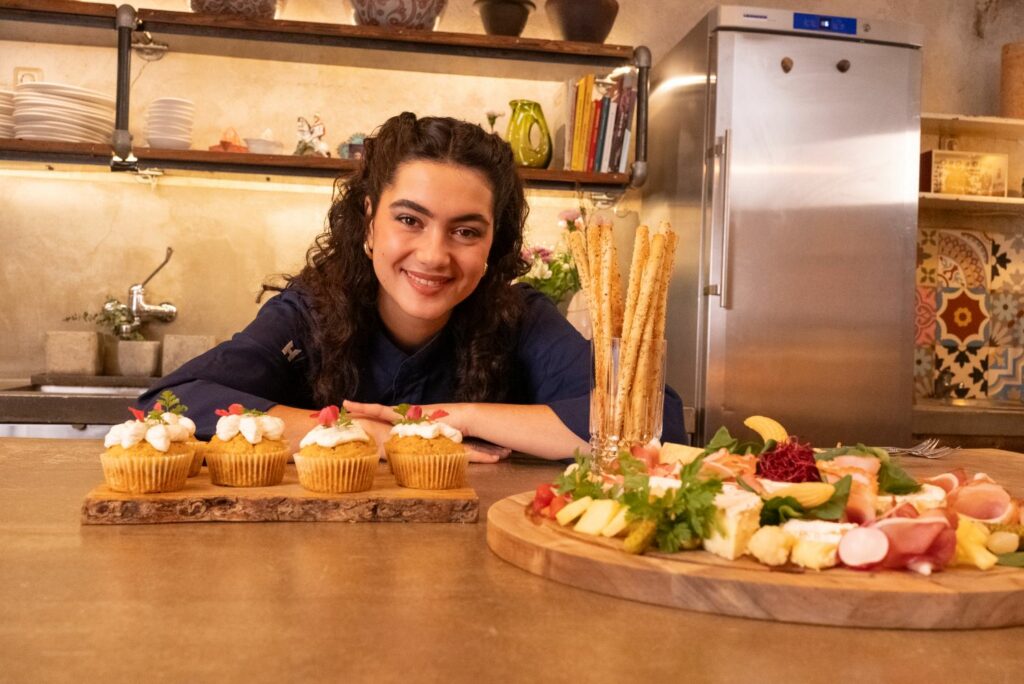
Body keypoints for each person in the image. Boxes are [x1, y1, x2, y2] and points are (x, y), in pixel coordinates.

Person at [139, 112, 686, 461]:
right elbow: (174, 403)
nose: (433, 254)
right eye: (409, 220)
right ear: (370, 222)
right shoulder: (307, 313)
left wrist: (446, 421)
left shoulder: (520, 320)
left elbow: (648, 418)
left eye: (466, 231)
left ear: (494, 244)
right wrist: (361, 433)